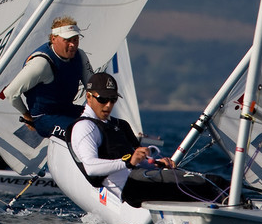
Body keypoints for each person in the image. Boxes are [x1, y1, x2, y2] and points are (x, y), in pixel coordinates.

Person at [69, 72, 226, 207]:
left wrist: (156, 163)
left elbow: (138, 160)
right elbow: (90, 167)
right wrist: (128, 162)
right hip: (131, 187)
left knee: (215, 182)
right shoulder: (85, 127)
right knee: (212, 184)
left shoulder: (120, 125)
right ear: (88, 96)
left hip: (142, 178)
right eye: (103, 99)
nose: (108, 105)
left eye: (113, 99)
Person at [2, 16, 94, 138]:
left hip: (67, 109)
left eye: (75, 39)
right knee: (83, 133)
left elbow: (93, 87)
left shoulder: (80, 55)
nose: (73, 44)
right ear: (53, 39)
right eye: (67, 40)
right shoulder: (41, 63)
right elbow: (10, 92)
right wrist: (26, 115)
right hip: (44, 117)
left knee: (111, 125)